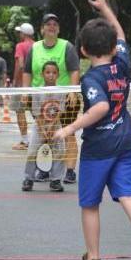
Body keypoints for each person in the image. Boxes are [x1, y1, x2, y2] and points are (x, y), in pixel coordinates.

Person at [55, 0, 131, 260]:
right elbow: (122, 34)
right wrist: (104, 7)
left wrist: (70, 127)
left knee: (89, 204)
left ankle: (93, 259)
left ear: (83, 51)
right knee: (128, 193)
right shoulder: (123, 63)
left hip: (99, 148)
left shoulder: (91, 78)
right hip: (125, 141)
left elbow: (100, 106)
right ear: (113, 47)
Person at [23, 13, 80, 184]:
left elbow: (74, 70)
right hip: (40, 99)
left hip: (63, 98)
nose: (52, 26)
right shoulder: (35, 48)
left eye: (55, 24)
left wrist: (72, 91)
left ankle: (69, 170)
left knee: (67, 134)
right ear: (42, 29)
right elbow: (27, 71)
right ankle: (44, 169)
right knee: (43, 134)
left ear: (58, 29)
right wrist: (25, 92)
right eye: (48, 24)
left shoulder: (67, 46)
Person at [21, 61, 66, 192]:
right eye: (48, 72)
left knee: (60, 151)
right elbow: (36, 113)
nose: (51, 75)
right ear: (42, 74)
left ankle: (56, 180)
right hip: (39, 126)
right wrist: (43, 129)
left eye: (54, 72)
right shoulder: (37, 91)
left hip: (56, 126)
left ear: (58, 74)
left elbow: (60, 111)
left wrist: (52, 128)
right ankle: (28, 178)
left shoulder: (62, 91)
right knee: (32, 151)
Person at [11, 23, 35, 150]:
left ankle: (25, 141)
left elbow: (20, 65)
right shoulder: (38, 45)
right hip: (36, 85)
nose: (19, 34)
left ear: (24, 34)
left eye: (20, 32)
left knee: (20, 111)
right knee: (38, 112)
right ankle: (42, 139)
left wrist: (16, 82)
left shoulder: (20, 46)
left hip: (22, 85)